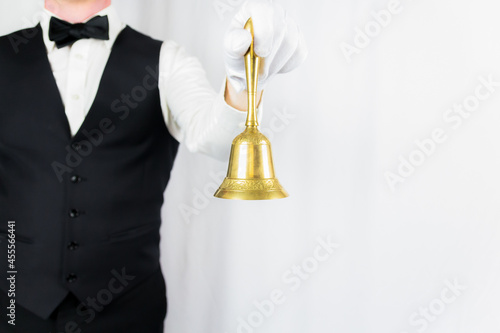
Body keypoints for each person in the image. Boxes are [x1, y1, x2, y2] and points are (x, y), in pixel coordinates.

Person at [0, 0, 307, 331]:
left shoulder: (167, 60)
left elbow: (217, 139)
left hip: (128, 308)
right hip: (14, 301)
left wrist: (243, 82)